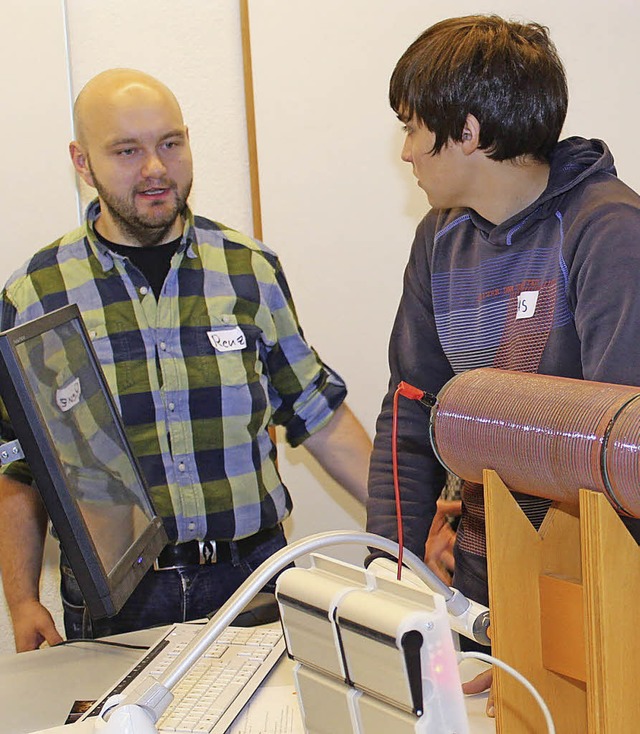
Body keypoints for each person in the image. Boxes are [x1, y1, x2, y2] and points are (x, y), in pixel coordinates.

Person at [0, 68, 371, 653]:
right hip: (120, 603)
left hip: (251, 583)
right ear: (82, 161)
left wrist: (407, 520)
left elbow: (315, 411)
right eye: (127, 150)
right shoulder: (36, 293)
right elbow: (19, 465)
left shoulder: (249, 267)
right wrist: (23, 600)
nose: (154, 168)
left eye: (170, 143)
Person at [366, 14, 640, 712]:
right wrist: (387, 571)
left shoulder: (607, 233)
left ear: (466, 130)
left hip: (590, 607)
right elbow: (412, 409)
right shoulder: (438, 239)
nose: (405, 154)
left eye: (411, 127)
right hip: (486, 596)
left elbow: (621, 468)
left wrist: (544, 640)